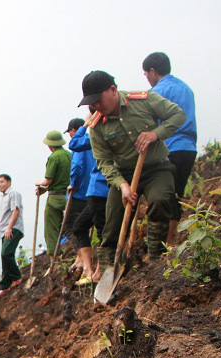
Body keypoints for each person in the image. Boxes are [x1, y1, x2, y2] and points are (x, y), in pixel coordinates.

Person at [79, 70, 186, 269]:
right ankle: (107, 271)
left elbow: (177, 115)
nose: (96, 106)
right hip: (125, 175)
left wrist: (156, 134)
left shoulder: (143, 100)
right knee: (112, 225)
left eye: (98, 100)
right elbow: (104, 162)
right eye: (91, 103)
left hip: (156, 168)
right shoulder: (96, 126)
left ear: (112, 90)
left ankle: (156, 260)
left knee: (160, 201)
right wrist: (122, 185)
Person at [143, 52, 197, 245]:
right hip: (188, 148)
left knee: (163, 195)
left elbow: (150, 123)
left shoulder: (156, 92)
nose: (147, 78)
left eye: (146, 74)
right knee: (177, 193)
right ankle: (171, 239)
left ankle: (164, 243)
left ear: (152, 71)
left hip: (169, 148)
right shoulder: (186, 88)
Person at [69, 114, 110, 284]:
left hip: (99, 189)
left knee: (102, 230)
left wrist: (85, 125)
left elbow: (74, 146)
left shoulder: (94, 135)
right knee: (81, 226)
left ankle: (100, 271)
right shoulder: (94, 136)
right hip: (96, 189)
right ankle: (89, 269)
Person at [35, 131, 72, 256]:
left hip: (55, 198)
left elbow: (48, 181)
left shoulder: (54, 157)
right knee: (69, 225)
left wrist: (39, 183)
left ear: (50, 145)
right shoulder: (69, 155)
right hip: (69, 196)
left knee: (51, 228)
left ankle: (54, 255)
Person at [64, 118, 90, 257]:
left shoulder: (79, 145)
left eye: (69, 132)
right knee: (85, 225)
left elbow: (77, 166)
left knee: (69, 225)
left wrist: (73, 184)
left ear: (73, 130)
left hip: (79, 192)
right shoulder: (92, 140)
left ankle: (81, 257)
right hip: (92, 191)